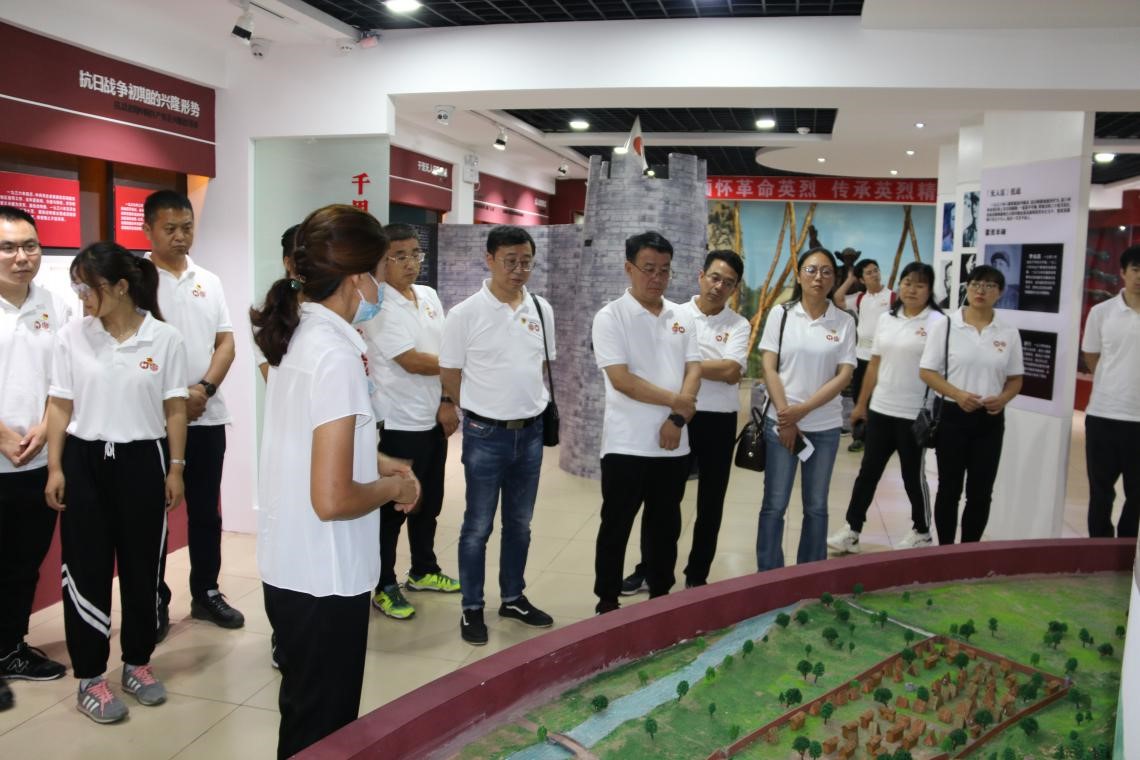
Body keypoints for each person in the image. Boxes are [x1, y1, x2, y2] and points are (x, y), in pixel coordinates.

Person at [251, 204, 418, 758]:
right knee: (324, 728)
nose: (383, 286)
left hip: (293, 564)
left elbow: (314, 444)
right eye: (381, 270)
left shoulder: (301, 334)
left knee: (305, 714)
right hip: (324, 572)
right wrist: (394, 489)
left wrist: (377, 461)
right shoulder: (334, 353)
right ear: (356, 278)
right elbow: (332, 498)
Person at [45, 242, 188, 724]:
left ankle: (137, 664)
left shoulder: (164, 338)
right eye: (77, 287)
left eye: (89, 287)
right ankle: (90, 677)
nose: (81, 297)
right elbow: (60, 404)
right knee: (85, 568)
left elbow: (175, 407)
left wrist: (176, 467)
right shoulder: (72, 335)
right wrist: (55, 467)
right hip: (85, 460)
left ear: (121, 287)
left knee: (142, 567)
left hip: (143, 461)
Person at [439, 225, 555, 645]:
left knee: (520, 524)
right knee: (477, 525)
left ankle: (513, 597)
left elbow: (541, 365)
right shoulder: (464, 314)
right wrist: (475, 408)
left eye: (526, 261)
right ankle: (472, 606)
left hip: (531, 432)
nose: (519, 269)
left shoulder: (541, 308)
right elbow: (449, 371)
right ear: (489, 260)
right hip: (485, 434)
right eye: (510, 261)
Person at [143, 191, 243, 638]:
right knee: (152, 516)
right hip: (150, 421)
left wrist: (204, 389)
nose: (181, 236)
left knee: (206, 512)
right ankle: (154, 600)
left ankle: (206, 592)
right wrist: (173, 399)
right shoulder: (135, 280)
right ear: (148, 229)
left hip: (206, 414)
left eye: (187, 227)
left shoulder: (209, 280)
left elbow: (226, 342)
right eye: (170, 229)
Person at [621, 249, 746, 595]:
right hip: (677, 415)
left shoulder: (738, 324)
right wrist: (704, 366)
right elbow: (657, 362)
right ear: (701, 276)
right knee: (661, 499)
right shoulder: (673, 314)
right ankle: (650, 569)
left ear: (734, 288)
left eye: (728, 283)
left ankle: (697, 575)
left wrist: (687, 363)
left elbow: (732, 371)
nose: (719, 286)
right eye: (715, 277)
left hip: (719, 423)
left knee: (711, 503)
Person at [593, 232, 701, 614]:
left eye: (664, 270)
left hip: (674, 445)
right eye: (649, 269)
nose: (657, 278)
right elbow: (622, 380)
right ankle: (607, 601)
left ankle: (660, 598)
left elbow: (693, 368)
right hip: (626, 444)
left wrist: (677, 417)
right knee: (616, 526)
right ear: (629, 268)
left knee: (665, 528)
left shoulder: (682, 316)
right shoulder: (610, 317)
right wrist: (678, 402)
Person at [361, 224, 460, 621]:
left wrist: (446, 399)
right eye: (399, 256)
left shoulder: (429, 295)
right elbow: (411, 360)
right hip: (399, 422)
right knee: (394, 509)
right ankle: (383, 584)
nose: (410, 263)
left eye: (415, 254)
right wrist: (461, 365)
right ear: (382, 261)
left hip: (433, 417)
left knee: (429, 502)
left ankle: (423, 570)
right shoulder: (378, 305)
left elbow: (445, 349)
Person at [0, 206, 70, 688]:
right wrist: (3, 436)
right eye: (8, 247)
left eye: (30, 245)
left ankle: (10, 649)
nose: (21, 257)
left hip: (39, 461)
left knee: (24, 563)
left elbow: (65, 378)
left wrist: (46, 426)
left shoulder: (54, 304)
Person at [828, 262, 943, 554]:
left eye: (919, 284)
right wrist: (861, 404)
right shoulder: (887, 319)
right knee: (868, 472)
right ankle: (852, 530)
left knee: (912, 475)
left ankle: (922, 531)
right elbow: (874, 363)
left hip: (913, 414)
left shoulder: (938, 322)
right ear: (900, 285)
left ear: (929, 289)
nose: (912, 289)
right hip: (881, 409)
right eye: (907, 282)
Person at [756, 247, 855, 571]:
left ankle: (810, 576)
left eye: (826, 271)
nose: (818, 277)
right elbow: (769, 367)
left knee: (816, 506)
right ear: (799, 275)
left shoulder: (844, 322)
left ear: (834, 278)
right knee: (774, 504)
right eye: (811, 270)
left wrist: (803, 410)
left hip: (824, 427)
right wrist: (787, 416)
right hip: (780, 424)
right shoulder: (782, 314)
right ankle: (769, 575)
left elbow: (844, 375)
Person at [920, 265, 1023, 545]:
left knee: (981, 492)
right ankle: (945, 551)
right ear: (967, 287)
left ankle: (969, 553)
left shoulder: (1008, 332)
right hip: (952, 416)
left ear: (999, 293)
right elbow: (927, 371)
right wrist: (957, 394)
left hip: (990, 419)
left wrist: (1003, 398)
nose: (981, 290)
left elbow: (1015, 379)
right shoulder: (946, 325)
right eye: (976, 284)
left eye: (990, 286)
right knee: (949, 488)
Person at [1081, 244, 1140, 538]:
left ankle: (1126, 552)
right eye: (1136, 270)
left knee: (1137, 495)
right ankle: (1099, 553)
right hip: (1103, 415)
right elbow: (1091, 355)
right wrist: (1112, 380)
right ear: (1123, 273)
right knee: (1100, 493)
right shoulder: (1101, 312)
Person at [832, 258, 895, 452]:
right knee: (859, 397)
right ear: (862, 279)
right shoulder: (859, 298)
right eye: (869, 273)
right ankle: (859, 437)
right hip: (861, 356)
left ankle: (880, 438)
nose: (874, 274)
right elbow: (838, 298)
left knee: (879, 398)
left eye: (876, 270)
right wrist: (850, 279)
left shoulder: (892, 297)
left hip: (883, 357)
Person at [255, 224, 299, 382]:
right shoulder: (268, 315)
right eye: (303, 259)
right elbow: (274, 381)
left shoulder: (329, 306)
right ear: (288, 263)